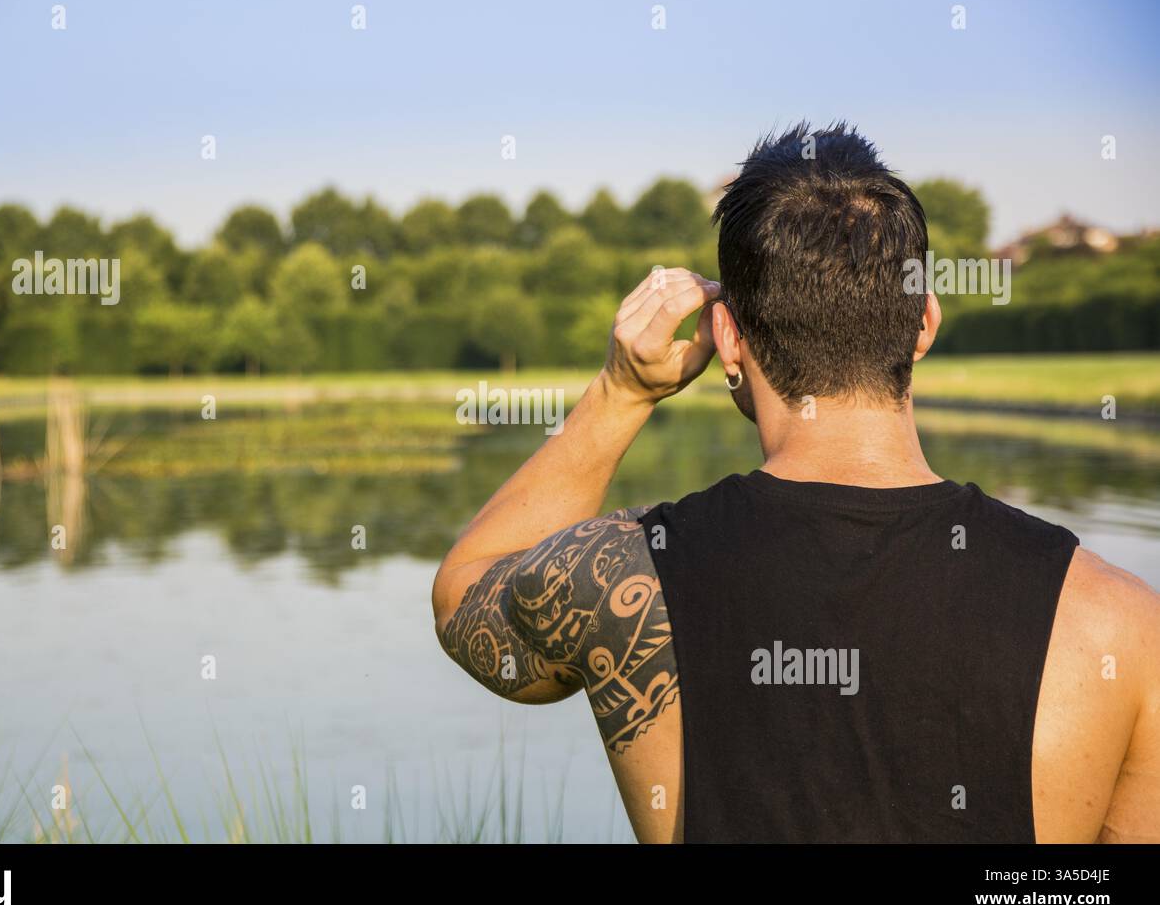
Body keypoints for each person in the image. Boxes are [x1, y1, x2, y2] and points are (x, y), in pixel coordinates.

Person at [430, 123, 1160, 843]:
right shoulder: (1121, 623)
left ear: (727, 339)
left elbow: (463, 593)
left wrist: (622, 391)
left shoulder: (625, 574)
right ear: (925, 322)